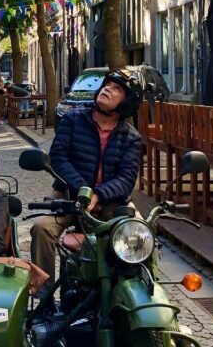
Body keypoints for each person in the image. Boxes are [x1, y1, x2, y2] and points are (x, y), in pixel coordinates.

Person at [30, 70, 143, 282]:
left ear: (126, 103)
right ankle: (43, 296)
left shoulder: (132, 137)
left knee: (142, 233)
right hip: (68, 196)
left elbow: (127, 178)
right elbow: (59, 157)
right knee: (42, 228)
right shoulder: (73, 120)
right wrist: (83, 190)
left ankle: (139, 291)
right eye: (107, 85)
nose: (107, 88)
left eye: (116, 88)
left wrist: (99, 195)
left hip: (111, 203)